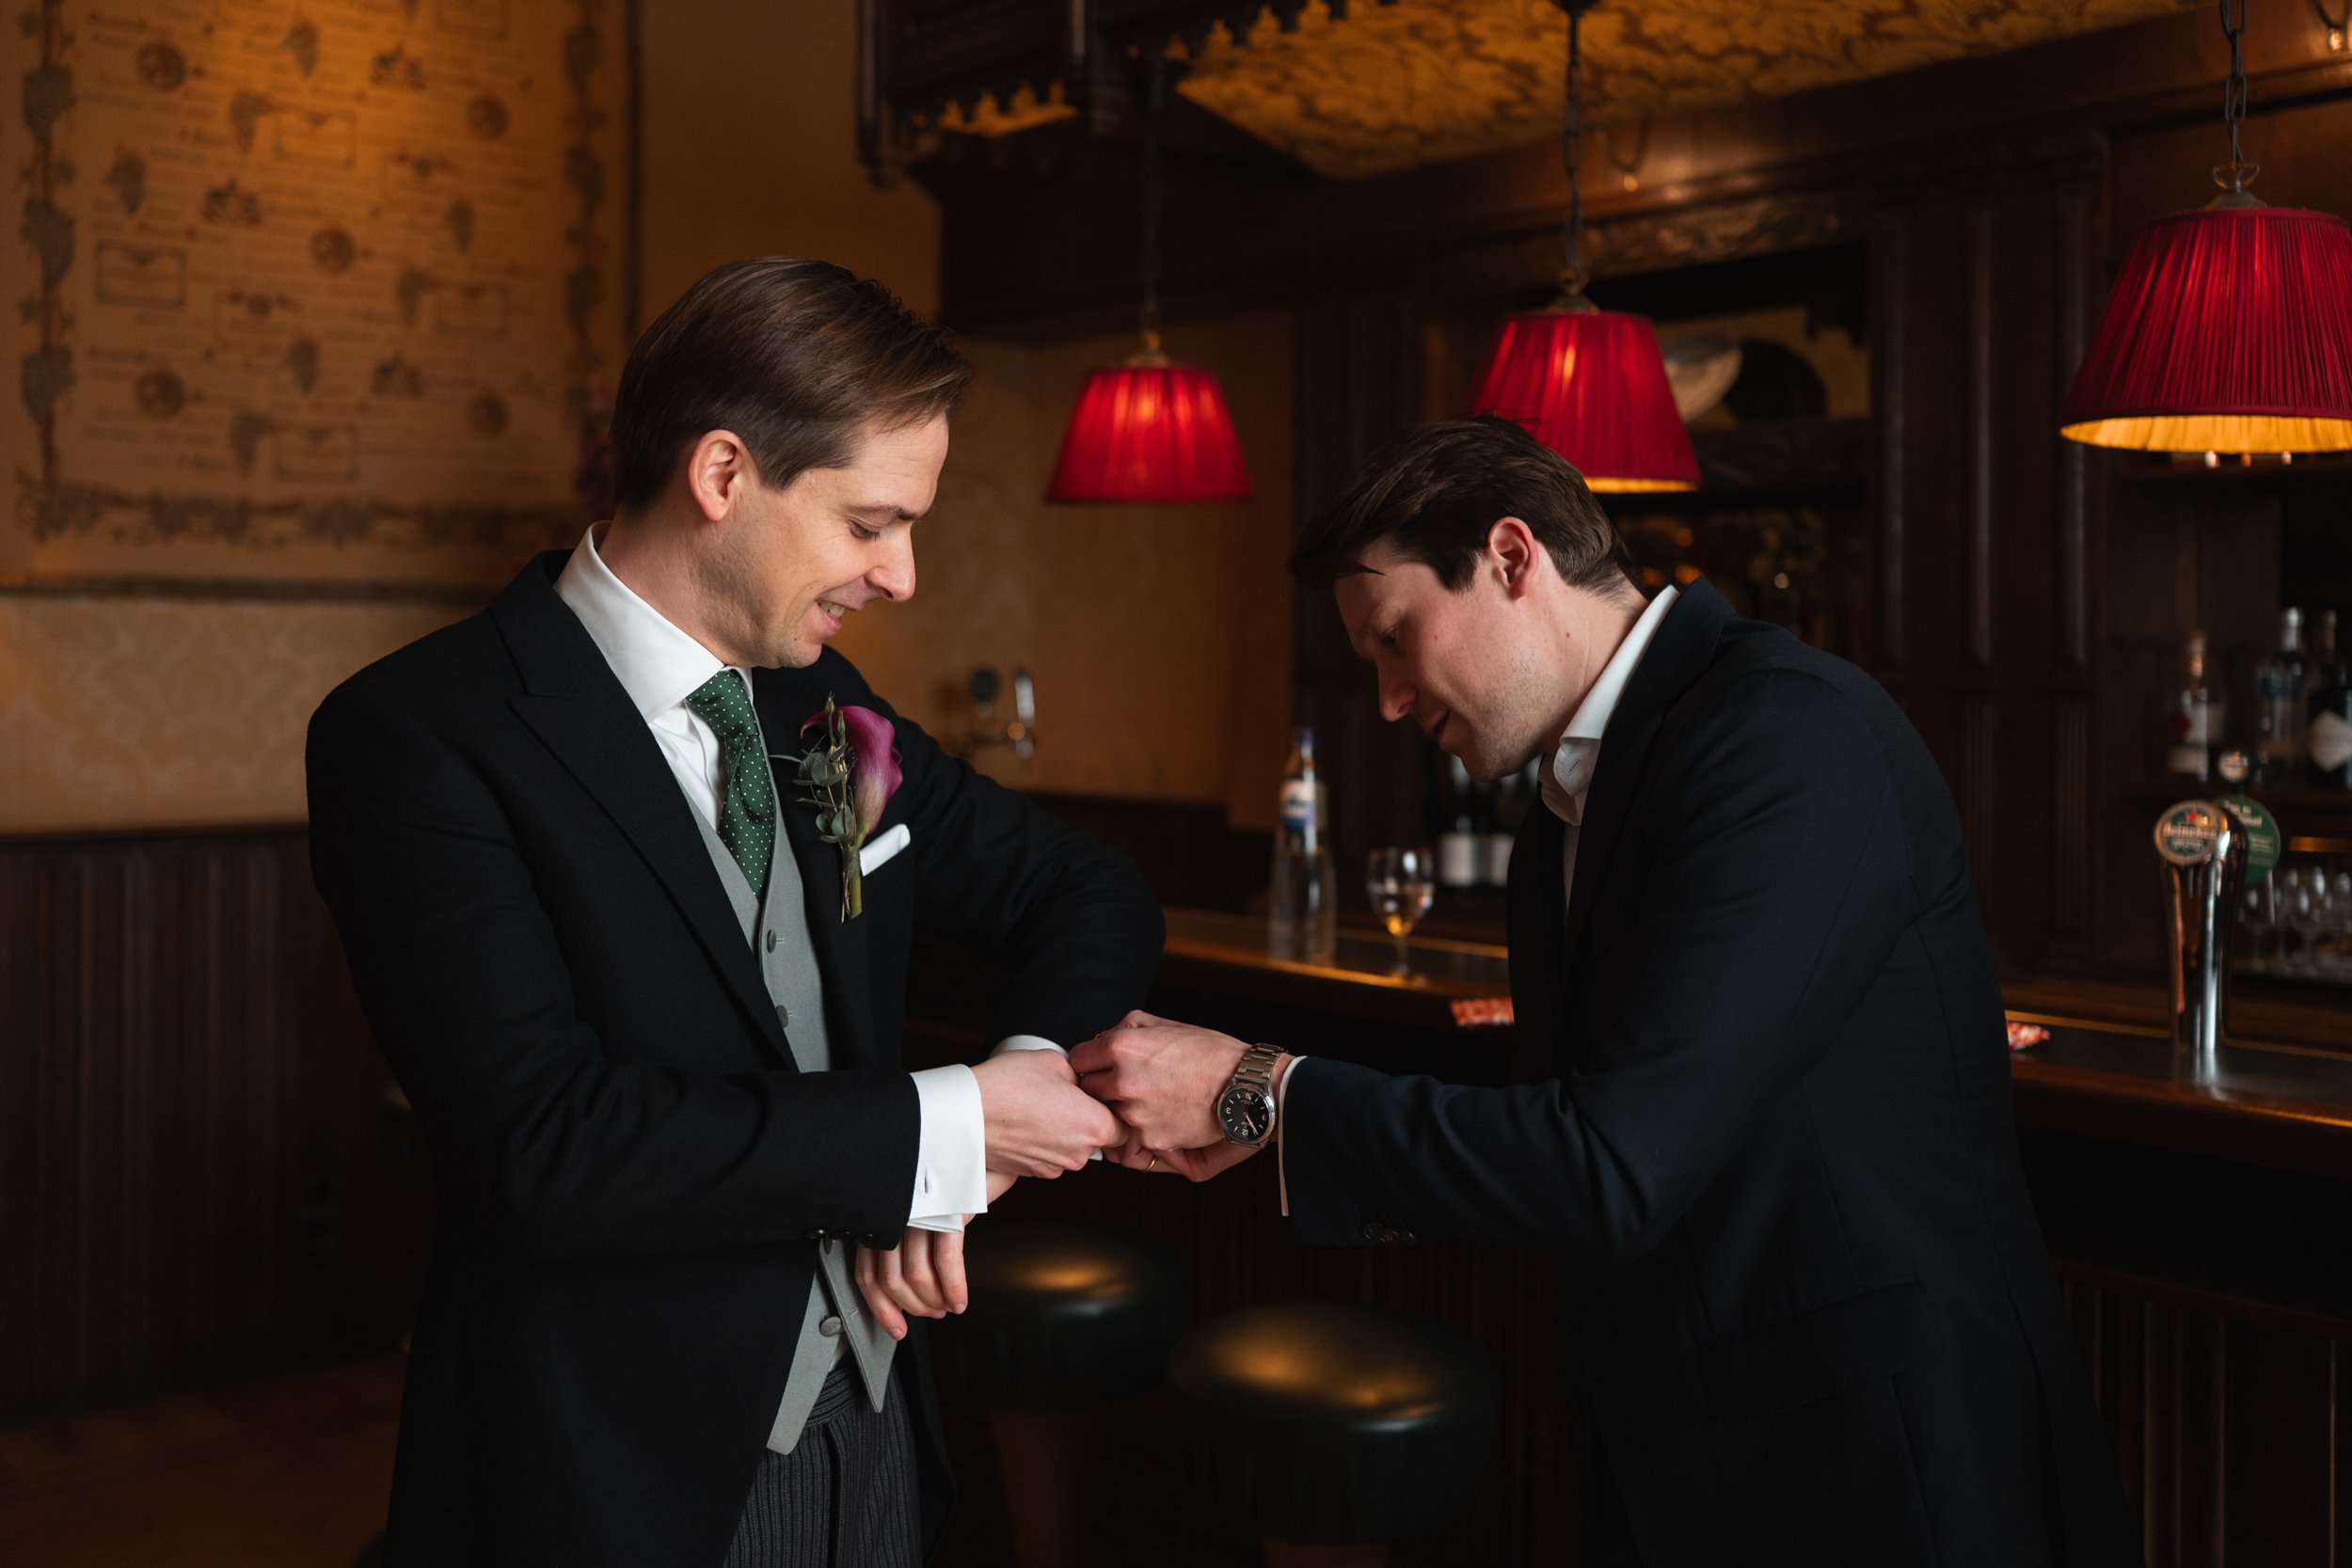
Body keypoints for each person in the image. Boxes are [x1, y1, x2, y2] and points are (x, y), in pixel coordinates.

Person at [1074, 415, 2139, 1566]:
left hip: (1873, 1460)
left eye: (1393, 638)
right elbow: (1576, 1116)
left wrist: (1265, 1093)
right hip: (1690, 1439)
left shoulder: (1788, 732)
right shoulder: (1568, 804)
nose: (1385, 698)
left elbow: (1612, 1162)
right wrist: (1269, 1120)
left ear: (1512, 557)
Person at [307, 258, 1159, 1568]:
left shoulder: (827, 710)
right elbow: (553, 1145)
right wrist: (943, 1122)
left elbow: (1084, 885)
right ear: (722, 475)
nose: (903, 575)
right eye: (872, 523)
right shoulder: (422, 735)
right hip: (616, 1455)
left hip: (873, 1416)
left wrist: (1006, 1097)